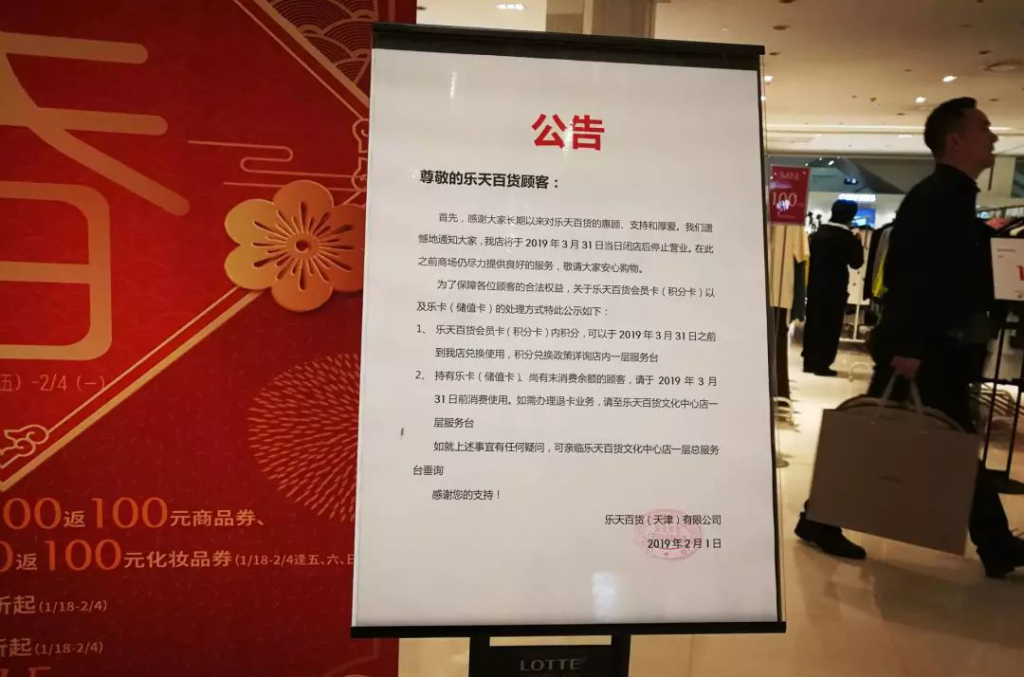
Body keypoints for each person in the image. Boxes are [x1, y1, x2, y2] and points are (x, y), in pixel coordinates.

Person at [796, 97, 1024, 579]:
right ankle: (996, 544)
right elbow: (914, 276)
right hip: (925, 349)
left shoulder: (948, 196)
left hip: (933, 346)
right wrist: (910, 347)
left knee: (929, 437)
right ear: (955, 140)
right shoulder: (937, 198)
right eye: (983, 128)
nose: (994, 137)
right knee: (901, 437)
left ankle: (995, 543)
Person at [802, 200, 865, 376]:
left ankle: (809, 362)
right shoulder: (847, 238)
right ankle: (822, 364)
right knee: (830, 325)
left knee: (813, 322)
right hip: (835, 287)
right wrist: (858, 243)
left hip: (815, 285)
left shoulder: (818, 234)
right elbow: (856, 263)